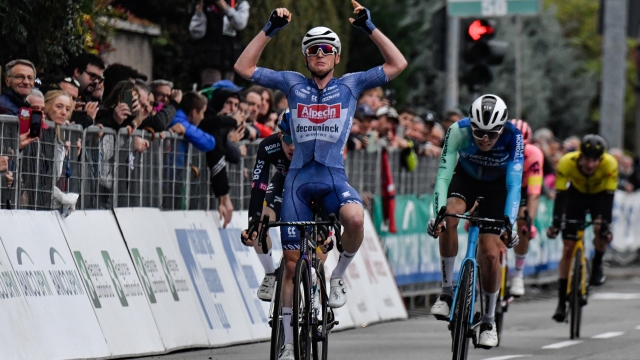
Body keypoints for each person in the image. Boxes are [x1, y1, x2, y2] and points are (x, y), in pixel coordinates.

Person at [234, 2, 407, 358]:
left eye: (327, 49)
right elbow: (243, 67)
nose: (320, 54)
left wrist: (368, 28)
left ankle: (339, 274)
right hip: (298, 179)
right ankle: (283, 333)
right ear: (305, 57)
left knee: (356, 218)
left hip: (332, 177)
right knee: (293, 262)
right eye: (313, 49)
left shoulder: (351, 84)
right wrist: (269, 29)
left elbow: (397, 64)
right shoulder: (291, 82)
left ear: (337, 56)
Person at [428, 94, 523, 348]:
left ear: (502, 128)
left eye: (491, 134)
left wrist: (509, 224)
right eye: (479, 132)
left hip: (498, 187)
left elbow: (514, 184)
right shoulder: (457, 131)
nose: (484, 139)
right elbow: (443, 176)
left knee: (491, 253)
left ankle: (489, 320)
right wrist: (437, 213)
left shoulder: (514, 136)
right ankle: (447, 292)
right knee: (449, 216)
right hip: (466, 179)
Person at [546, 134, 618, 322]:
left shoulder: (610, 164)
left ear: (601, 158)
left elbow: (609, 199)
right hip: (575, 197)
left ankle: (597, 265)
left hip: (599, 198)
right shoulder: (566, 162)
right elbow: (560, 195)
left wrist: (606, 226)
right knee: (568, 248)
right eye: (587, 159)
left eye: (595, 160)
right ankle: (562, 301)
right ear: (579, 156)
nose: (590, 164)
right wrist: (556, 224)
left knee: (600, 230)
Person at [240, 110, 295, 301]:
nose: (293, 146)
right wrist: (253, 223)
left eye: (299, 139)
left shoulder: (315, 147)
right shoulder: (268, 146)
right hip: (282, 183)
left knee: (318, 241)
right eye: (288, 138)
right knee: (262, 223)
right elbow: (259, 186)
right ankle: (270, 274)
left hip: (309, 188)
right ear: (280, 135)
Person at [508, 119, 544, 296]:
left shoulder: (534, 154)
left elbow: (534, 192)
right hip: (501, 185)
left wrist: (530, 221)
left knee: (523, 223)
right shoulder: (497, 149)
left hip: (522, 189)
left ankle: (518, 273)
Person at [190, 0, 250, 86]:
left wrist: (225, 8)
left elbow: (240, 24)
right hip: (210, 58)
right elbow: (196, 33)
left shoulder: (240, 3)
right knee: (213, 91)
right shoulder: (205, 4)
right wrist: (199, 11)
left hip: (230, 59)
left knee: (227, 92)